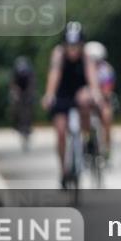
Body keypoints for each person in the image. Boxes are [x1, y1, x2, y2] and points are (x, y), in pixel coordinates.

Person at [41, 22, 103, 189]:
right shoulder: (58, 54)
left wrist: (95, 93)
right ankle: (63, 171)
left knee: (85, 101)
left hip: (80, 91)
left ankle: (87, 139)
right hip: (62, 93)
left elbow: (92, 76)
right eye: (70, 46)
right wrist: (49, 94)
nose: (73, 50)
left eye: (76, 46)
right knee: (61, 131)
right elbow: (54, 74)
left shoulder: (86, 56)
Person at [84, 41, 116, 162]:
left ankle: (106, 148)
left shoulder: (106, 69)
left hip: (102, 100)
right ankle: (85, 140)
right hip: (87, 102)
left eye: (97, 60)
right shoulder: (81, 68)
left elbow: (107, 89)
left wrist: (100, 97)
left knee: (107, 116)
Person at [9, 56, 35, 148]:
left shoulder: (29, 73)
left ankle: (28, 127)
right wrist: (15, 94)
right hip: (19, 91)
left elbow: (32, 84)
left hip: (27, 91)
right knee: (15, 107)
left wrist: (30, 95)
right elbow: (13, 84)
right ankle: (16, 124)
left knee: (28, 110)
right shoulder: (15, 73)